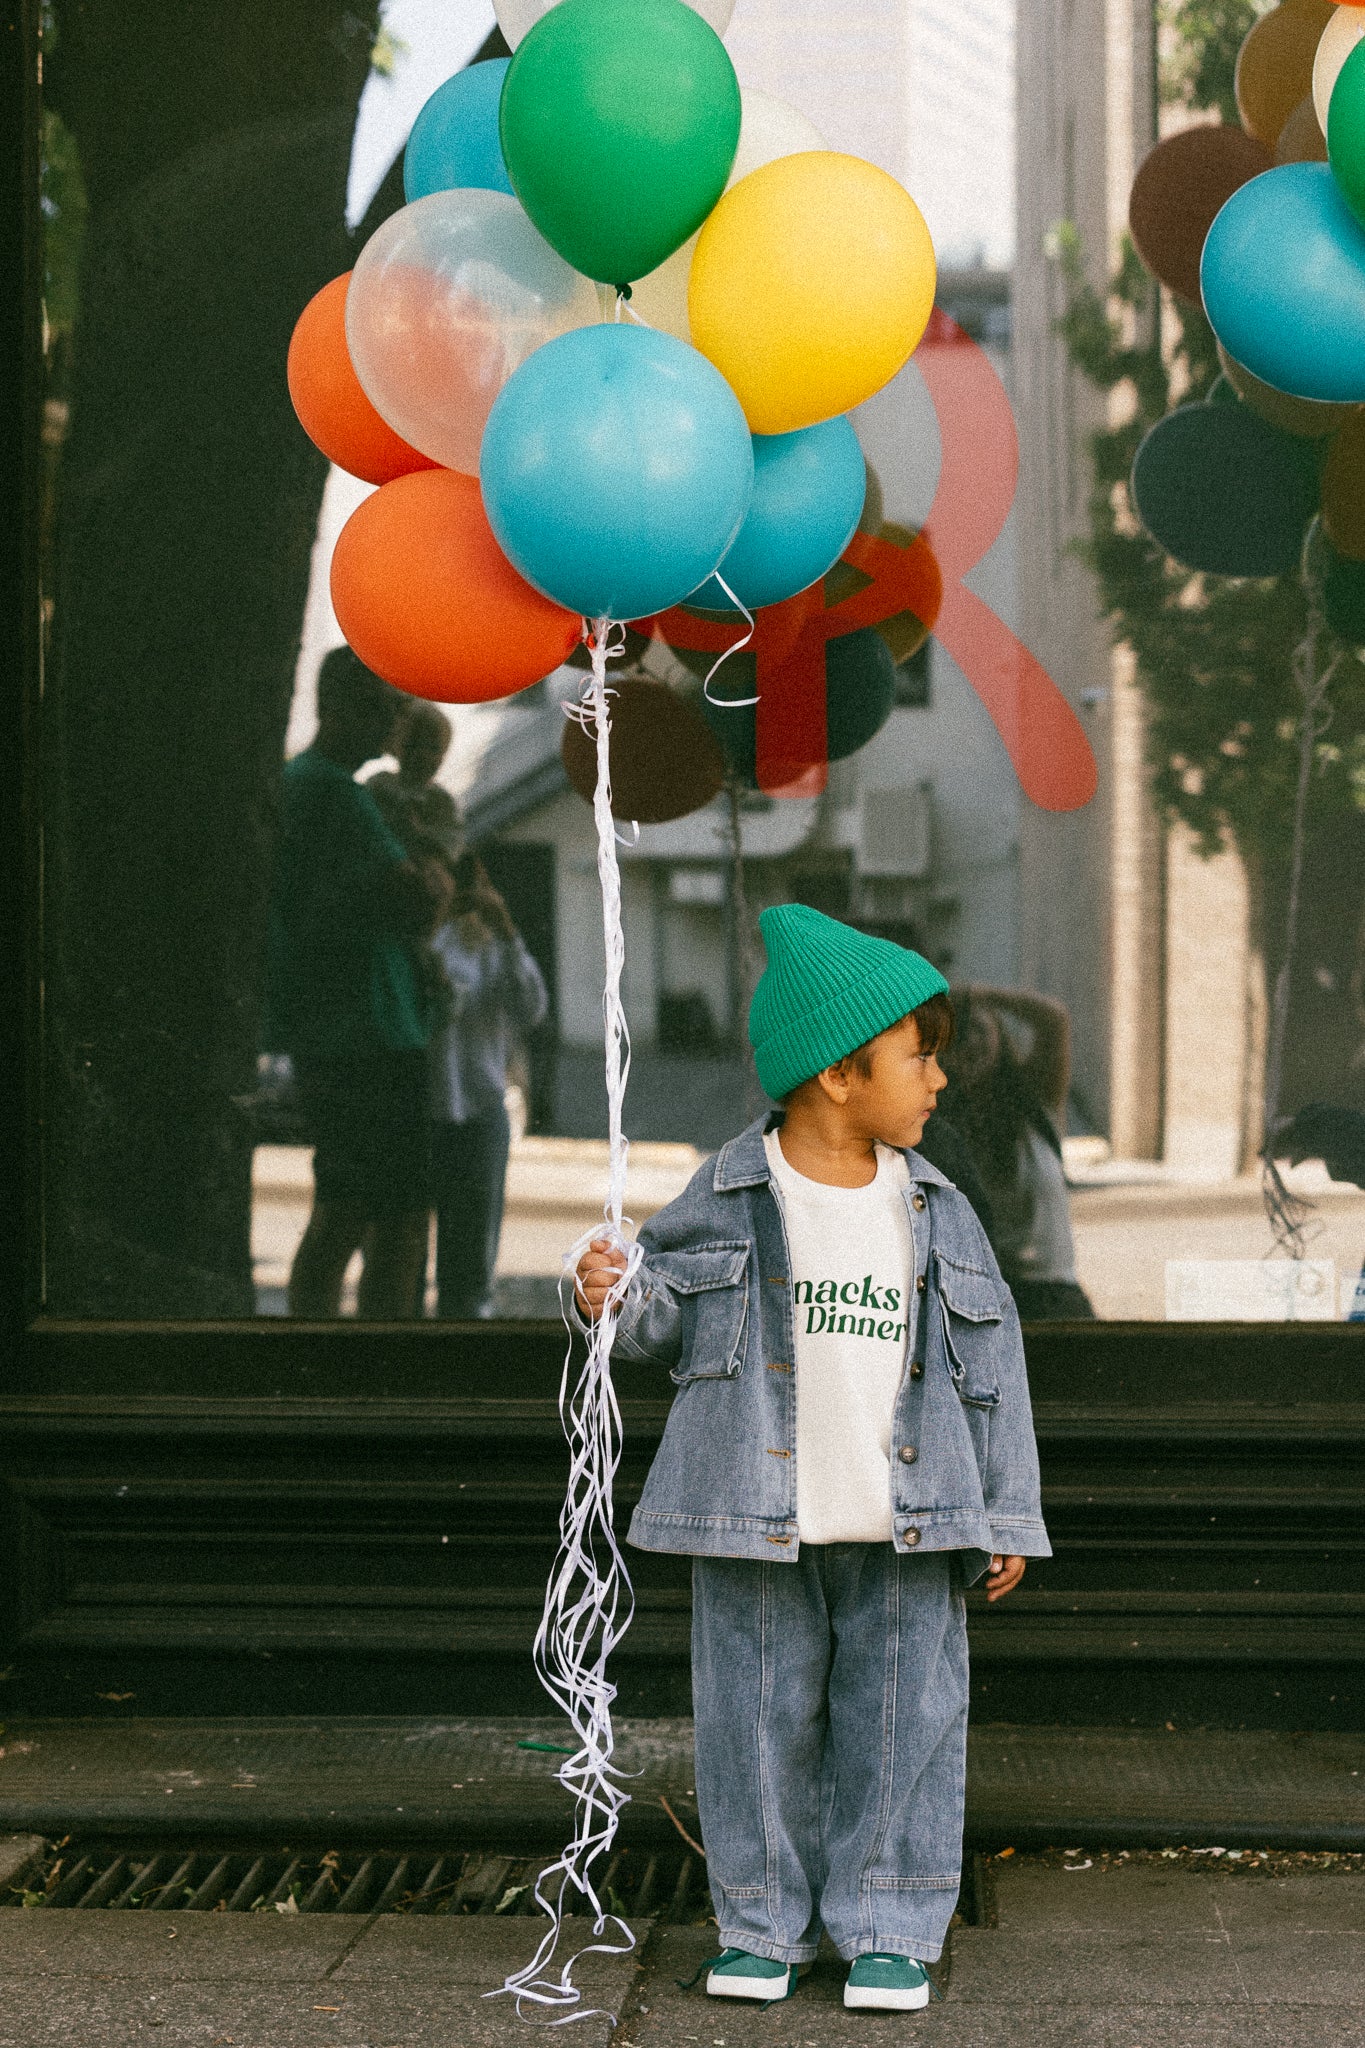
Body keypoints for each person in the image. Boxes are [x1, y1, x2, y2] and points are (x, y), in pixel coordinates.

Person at [575, 904, 1049, 2013]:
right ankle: (760, 1923)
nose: (938, 1078)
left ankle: (888, 1924)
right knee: (752, 1727)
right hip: (753, 1516)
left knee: (903, 1727)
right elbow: (656, 1314)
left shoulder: (938, 1210)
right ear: (841, 1071)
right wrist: (608, 1288)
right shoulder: (734, 1190)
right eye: (919, 1056)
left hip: (910, 1522)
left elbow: (995, 1361)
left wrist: (1006, 1512)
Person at [266, 647, 451, 1318]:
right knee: (390, 1215)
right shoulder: (333, 793)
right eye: (383, 707)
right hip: (368, 1031)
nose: (395, 723)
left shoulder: (304, 783)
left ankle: (326, 1345)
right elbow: (421, 900)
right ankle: (381, 1353)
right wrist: (426, 877)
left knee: (349, 1201)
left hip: (345, 1026)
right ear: (337, 708)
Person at [429, 853, 548, 1318]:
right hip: (427, 1107)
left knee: (475, 1253)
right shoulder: (424, 940)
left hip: (478, 1108)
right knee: (418, 1244)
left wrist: (507, 930)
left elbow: (531, 1008)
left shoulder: (489, 946)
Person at [942, 986, 1094, 1320]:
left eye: (979, 1029)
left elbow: (1053, 1019)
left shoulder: (1035, 1102)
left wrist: (976, 994)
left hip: (1059, 1296)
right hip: (989, 1304)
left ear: (999, 1032)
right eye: (958, 1036)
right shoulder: (937, 1127)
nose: (970, 1043)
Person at [366, 700, 463, 869]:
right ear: (398, 745)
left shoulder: (441, 801)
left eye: (433, 748)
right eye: (415, 744)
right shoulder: (378, 785)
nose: (423, 755)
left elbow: (448, 850)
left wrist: (418, 834)